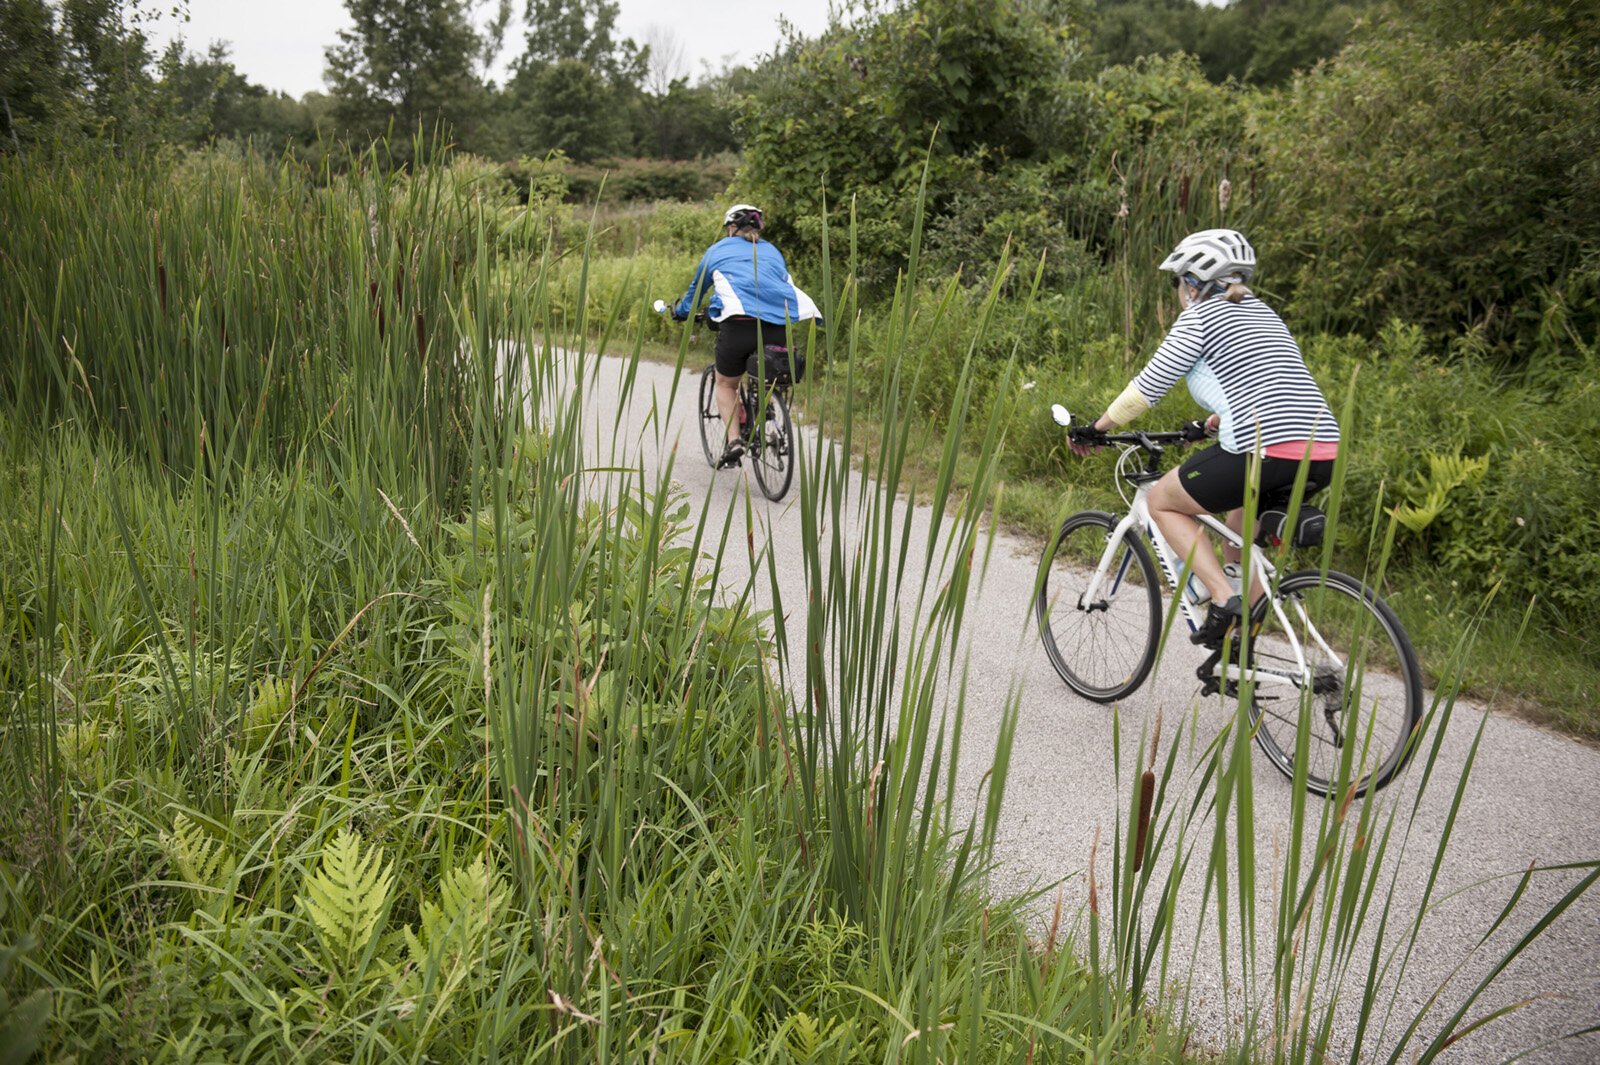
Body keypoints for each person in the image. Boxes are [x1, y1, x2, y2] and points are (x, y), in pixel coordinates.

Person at [1070, 228, 1340, 648]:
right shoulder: (1263, 312)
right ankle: (1238, 647)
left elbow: (1149, 386)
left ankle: (1222, 598)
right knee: (1239, 533)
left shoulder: (1200, 316)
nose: (1178, 290)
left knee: (1162, 500)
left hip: (1263, 449)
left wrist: (1096, 427)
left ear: (1193, 282)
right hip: (1321, 449)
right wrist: (1215, 420)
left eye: (1177, 281)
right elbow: (1269, 381)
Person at [672, 204, 821, 467]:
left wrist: (681, 312)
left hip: (738, 326)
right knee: (766, 375)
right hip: (777, 325)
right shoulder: (773, 251)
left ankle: (735, 441)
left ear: (731, 227)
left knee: (726, 383)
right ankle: (768, 413)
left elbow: (696, 293)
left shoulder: (717, 250)